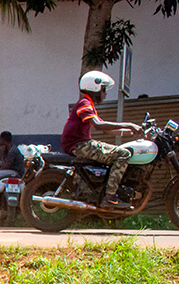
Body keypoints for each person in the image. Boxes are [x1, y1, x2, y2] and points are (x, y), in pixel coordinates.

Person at [61, 70, 142, 208]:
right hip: (79, 145)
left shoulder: (87, 104)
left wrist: (130, 132)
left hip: (81, 144)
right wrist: (129, 124)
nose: (105, 94)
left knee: (120, 151)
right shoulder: (84, 103)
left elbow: (105, 129)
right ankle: (110, 196)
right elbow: (99, 125)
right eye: (103, 89)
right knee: (124, 154)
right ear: (95, 87)